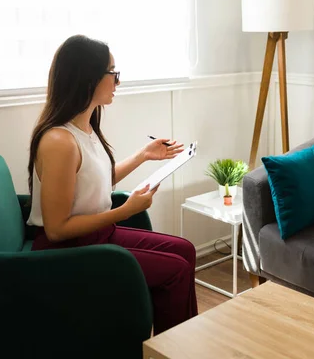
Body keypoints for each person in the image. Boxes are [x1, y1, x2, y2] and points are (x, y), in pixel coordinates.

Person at [26, 35, 197, 335]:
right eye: (113, 74)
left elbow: (95, 182)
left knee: (185, 251)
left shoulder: (85, 127)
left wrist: (144, 156)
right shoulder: (58, 141)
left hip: (98, 237)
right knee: (176, 270)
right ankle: (169, 350)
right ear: (88, 78)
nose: (118, 82)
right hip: (66, 252)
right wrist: (125, 210)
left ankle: (173, 345)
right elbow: (56, 229)